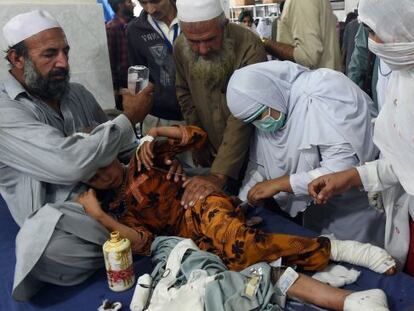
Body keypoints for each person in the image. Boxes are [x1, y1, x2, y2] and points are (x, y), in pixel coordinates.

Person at [77, 125, 395, 311]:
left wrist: (152, 135)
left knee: (241, 245)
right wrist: (101, 217)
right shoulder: (120, 212)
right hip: (187, 239)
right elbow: (144, 244)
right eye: (92, 175)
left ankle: (335, 249)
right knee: (247, 273)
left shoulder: (143, 160)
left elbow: (196, 137)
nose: (102, 175)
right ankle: (348, 299)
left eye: (102, 164)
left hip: (201, 204)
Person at [0, 10, 155, 301]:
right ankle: (140, 233)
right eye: (50, 54)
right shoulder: (5, 112)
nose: (64, 62)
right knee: (46, 251)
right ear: (16, 59)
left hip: (115, 200)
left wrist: (146, 149)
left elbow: (122, 149)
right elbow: (68, 164)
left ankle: (131, 231)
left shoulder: (78, 94)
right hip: (65, 222)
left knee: (171, 168)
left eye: (65, 51)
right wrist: (129, 117)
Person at [226, 60, 385, 246]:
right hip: (316, 212)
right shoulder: (274, 107)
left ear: (271, 93)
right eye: (253, 120)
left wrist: (281, 184)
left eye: (260, 115)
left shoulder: (323, 92)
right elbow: (259, 163)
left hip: (355, 210)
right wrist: (243, 200)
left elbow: (342, 169)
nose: (261, 123)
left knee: (363, 258)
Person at [309, 0, 414, 276]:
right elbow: (404, 159)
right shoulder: (404, 77)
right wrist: (353, 177)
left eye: (374, 31)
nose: (371, 43)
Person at [173, 0, 267, 209]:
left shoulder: (248, 45)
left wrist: (218, 174)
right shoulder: (180, 46)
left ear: (223, 24)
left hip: (254, 149)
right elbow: (184, 92)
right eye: (194, 42)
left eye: (209, 39)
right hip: (213, 147)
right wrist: (197, 137)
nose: (203, 49)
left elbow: (244, 114)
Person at [126, 0, 186, 140]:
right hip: (159, 118)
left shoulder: (192, 17)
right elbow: (138, 75)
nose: (151, 9)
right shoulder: (135, 30)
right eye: (143, 2)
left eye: (155, 1)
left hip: (199, 114)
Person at [262, 0, 341, 71]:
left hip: (315, 84)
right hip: (326, 81)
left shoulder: (300, 2)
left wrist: (266, 44)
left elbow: (308, 56)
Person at [106, 0, 135, 109]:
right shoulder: (112, 29)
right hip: (124, 87)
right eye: (129, 2)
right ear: (120, 5)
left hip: (142, 82)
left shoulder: (135, 26)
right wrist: (115, 88)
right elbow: (110, 61)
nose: (134, 4)